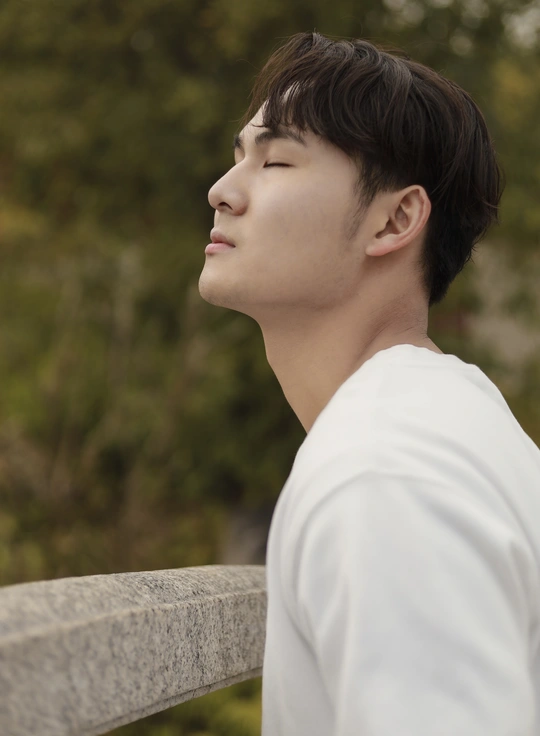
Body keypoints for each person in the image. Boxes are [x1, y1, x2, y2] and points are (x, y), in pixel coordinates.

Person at [199, 31, 540, 735]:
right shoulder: (448, 418)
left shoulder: (382, 473)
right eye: (239, 156)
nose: (222, 191)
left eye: (277, 161)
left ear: (394, 220)